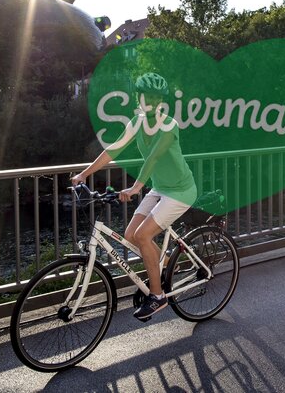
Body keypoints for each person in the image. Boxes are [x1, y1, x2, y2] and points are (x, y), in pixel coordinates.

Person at [72, 73, 197, 322]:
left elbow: (153, 157)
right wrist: (84, 174)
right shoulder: (137, 121)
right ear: (138, 97)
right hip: (160, 187)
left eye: (155, 97)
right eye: (146, 96)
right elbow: (114, 149)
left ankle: (158, 296)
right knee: (130, 235)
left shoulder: (169, 125)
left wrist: (135, 187)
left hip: (180, 190)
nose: (150, 101)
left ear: (161, 101)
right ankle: (164, 265)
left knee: (143, 235)